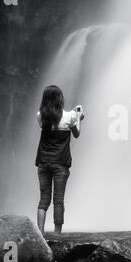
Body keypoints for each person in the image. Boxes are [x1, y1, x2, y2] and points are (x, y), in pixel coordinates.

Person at [35, 85, 85, 236]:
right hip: (61, 164)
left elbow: (51, 122)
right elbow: (76, 134)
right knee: (58, 200)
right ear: (60, 99)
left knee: (44, 200)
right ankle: (57, 234)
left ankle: (40, 235)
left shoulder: (40, 116)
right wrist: (79, 118)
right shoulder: (70, 117)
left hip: (43, 162)